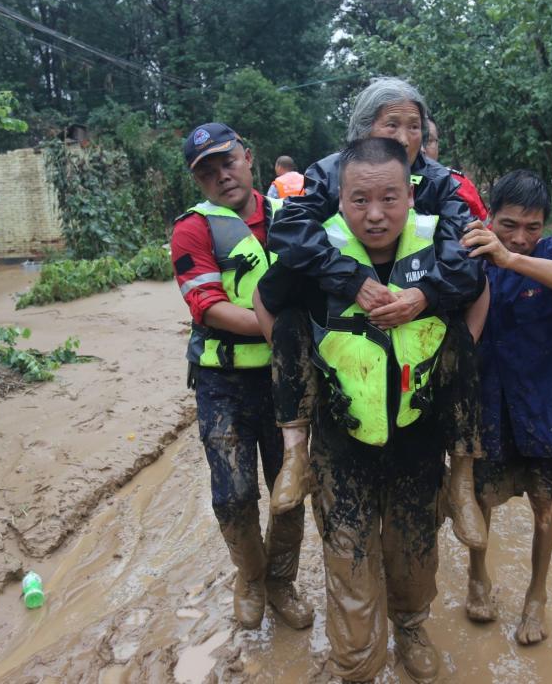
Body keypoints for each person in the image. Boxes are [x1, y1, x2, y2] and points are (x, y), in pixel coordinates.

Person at [255, 138, 489, 683]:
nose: (375, 214)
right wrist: (304, 371)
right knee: (349, 560)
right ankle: (358, 662)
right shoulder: (318, 253)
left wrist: (438, 331)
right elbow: (268, 305)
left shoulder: (438, 244)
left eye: (389, 198)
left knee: (413, 555)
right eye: (360, 200)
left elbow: (478, 290)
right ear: (339, 198)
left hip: (417, 436)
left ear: (410, 195)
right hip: (343, 444)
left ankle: (410, 624)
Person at [265, 77, 487, 552]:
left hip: (418, 321)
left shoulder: (440, 181)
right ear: (363, 129)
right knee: (284, 308)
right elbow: (288, 232)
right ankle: (295, 453)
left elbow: (466, 256)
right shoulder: (330, 172)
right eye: (392, 125)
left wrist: (425, 294)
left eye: (414, 126)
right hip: (348, 318)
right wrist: (349, 280)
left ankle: (462, 477)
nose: (405, 138)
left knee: (464, 339)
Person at [168, 122, 313, 631]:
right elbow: (206, 305)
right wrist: (284, 331)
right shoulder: (192, 229)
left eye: (227, 162)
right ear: (199, 183)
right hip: (222, 383)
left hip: (286, 381)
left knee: (288, 491)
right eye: (207, 172)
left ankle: (281, 580)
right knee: (231, 493)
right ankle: (250, 575)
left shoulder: (292, 217)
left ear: (249, 158)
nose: (221, 176)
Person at [458, 169, 552, 646]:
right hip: (490, 402)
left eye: (532, 228)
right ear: (489, 217)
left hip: (550, 405)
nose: (520, 237)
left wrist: (513, 260)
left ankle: (536, 596)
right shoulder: (468, 253)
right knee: (480, 498)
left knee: (546, 503)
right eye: (508, 225)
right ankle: (477, 575)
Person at [424, 116, 488, 221]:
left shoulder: (458, 183)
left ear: (438, 145)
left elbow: (485, 227)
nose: (422, 149)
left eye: (428, 140)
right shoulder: (390, 183)